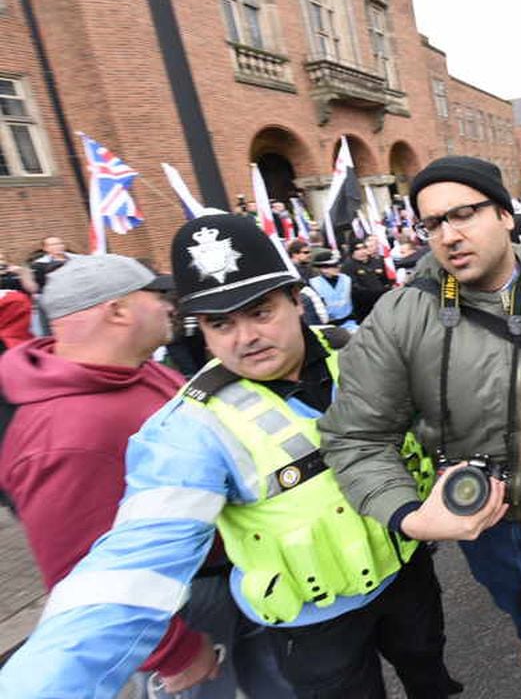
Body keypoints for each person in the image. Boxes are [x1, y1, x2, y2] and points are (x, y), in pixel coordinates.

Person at [0, 214, 461, 699]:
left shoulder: (360, 353)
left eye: (260, 312)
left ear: (294, 300)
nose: (245, 337)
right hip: (314, 623)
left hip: (407, 574)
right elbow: (129, 568)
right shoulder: (190, 428)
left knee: (428, 669)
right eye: (220, 323)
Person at [317, 156, 521, 699]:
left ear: (505, 214)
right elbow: (357, 436)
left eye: (463, 214)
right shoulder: (400, 315)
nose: (449, 235)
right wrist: (410, 518)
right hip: (480, 530)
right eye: (433, 223)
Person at [0, 255, 238, 697]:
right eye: (156, 296)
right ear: (117, 311)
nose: (170, 306)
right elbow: (79, 574)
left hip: (219, 578)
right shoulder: (62, 434)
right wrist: (173, 652)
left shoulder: (134, 368)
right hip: (178, 605)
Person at [307, 247, 356, 329]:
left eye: (337, 265)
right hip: (327, 326)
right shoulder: (313, 284)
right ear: (323, 269)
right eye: (334, 266)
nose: (338, 267)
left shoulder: (346, 279)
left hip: (349, 322)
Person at [344, 241, 390, 321]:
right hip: (364, 306)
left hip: (383, 301)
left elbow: (385, 280)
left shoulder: (377, 261)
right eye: (358, 249)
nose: (362, 252)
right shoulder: (348, 266)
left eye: (364, 248)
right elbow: (355, 287)